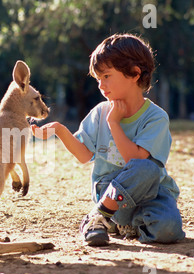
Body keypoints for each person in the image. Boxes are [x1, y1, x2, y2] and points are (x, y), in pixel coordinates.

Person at [31, 33, 185, 246]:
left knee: (168, 229)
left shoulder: (156, 118)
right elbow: (85, 155)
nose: (100, 85)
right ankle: (100, 216)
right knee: (146, 169)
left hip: (151, 196)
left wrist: (114, 123)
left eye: (106, 76)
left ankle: (118, 222)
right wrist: (59, 130)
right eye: (97, 79)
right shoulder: (100, 113)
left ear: (134, 73)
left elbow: (135, 161)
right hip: (109, 192)